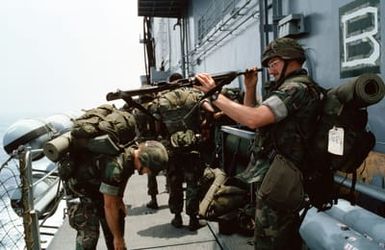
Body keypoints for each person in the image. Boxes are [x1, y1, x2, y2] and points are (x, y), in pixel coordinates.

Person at [195, 37, 322, 250]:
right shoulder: (289, 88)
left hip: (284, 180)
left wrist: (214, 94)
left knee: (269, 243)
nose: (271, 70)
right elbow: (253, 120)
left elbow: (253, 119)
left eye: (274, 64)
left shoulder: (295, 89)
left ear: (291, 60)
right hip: (277, 176)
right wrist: (250, 87)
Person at [64, 140, 168, 250]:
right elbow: (109, 206)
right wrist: (118, 238)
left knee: (117, 219)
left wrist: (119, 201)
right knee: (89, 234)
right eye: (150, 170)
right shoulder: (116, 169)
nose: (148, 173)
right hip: (79, 189)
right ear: (143, 160)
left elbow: (119, 187)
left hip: (97, 186)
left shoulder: (130, 156)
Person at [147, 73, 212, 231]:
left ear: (169, 83)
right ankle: (192, 219)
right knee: (192, 183)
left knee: (174, 182)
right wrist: (204, 126)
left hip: (173, 149)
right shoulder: (194, 94)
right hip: (193, 147)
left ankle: (177, 217)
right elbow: (209, 110)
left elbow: (156, 128)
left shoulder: (161, 100)